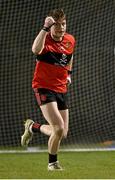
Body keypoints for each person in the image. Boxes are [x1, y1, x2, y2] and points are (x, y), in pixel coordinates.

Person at [21, 9, 75, 171]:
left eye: (63, 24)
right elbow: (35, 50)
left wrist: (69, 74)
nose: (61, 28)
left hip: (61, 88)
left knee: (62, 133)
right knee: (57, 128)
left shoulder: (70, 39)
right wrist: (45, 29)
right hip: (44, 87)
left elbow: (70, 56)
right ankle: (52, 164)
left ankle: (33, 127)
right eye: (56, 25)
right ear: (51, 26)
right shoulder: (45, 40)